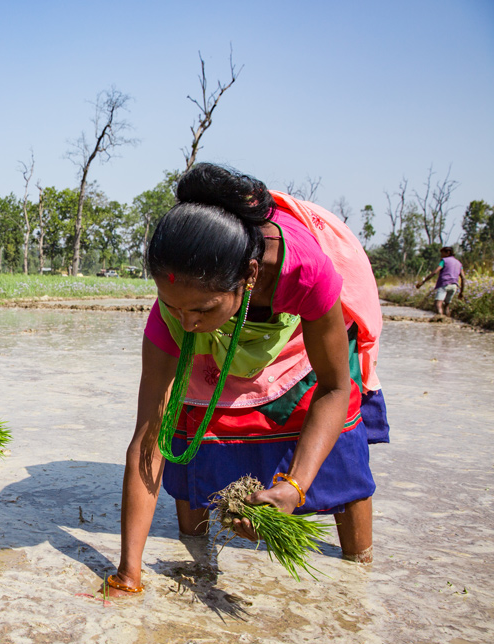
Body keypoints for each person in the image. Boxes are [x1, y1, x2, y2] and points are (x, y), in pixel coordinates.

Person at [107, 164, 389, 596]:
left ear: (250, 275)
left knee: (338, 451)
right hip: (234, 324)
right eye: (173, 305)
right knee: (187, 438)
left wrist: (294, 487)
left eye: (202, 309)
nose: (187, 322)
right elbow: (149, 438)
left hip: (305, 328)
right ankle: (192, 546)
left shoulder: (306, 273)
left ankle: (361, 573)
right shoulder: (178, 310)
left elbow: (335, 388)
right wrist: (129, 574)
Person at [416, 246, 465, 317]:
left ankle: (441, 319)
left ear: (448, 253)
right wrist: (461, 292)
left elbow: (435, 272)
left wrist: (423, 282)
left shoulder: (444, 261)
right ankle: (447, 321)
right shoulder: (459, 263)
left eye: (442, 253)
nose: (441, 255)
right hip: (454, 286)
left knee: (438, 304)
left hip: (444, 284)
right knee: (446, 306)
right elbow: (463, 277)